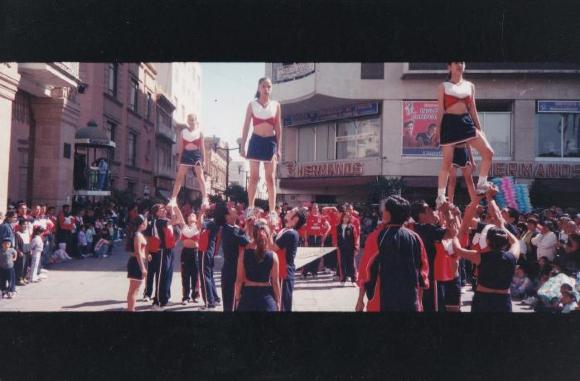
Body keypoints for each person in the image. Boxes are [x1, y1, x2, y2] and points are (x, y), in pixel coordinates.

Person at [355, 195, 430, 312]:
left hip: (380, 302)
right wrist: (419, 302)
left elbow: (365, 271)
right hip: (410, 301)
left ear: (388, 214)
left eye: (384, 210)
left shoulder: (376, 237)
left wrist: (360, 300)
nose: (382, 212)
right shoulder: (415, 238)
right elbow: (423, 273)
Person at [436, 61, 495, 208]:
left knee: (488, 152)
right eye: (456, 62)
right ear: (449, 67)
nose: (459, 65)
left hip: (466, 122)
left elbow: (473, 109)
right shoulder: (443, 86)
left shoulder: (470, 86)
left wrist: (480, 130)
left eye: (462, 62)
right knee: (447, 163)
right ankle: (441, 197)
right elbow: (440, 111)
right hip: (449, 124)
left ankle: (482, 184)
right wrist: (437, 131)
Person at [452, 186, 520, 312]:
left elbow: (457, 249)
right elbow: (516, 242)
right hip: (503, 300)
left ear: (488, 241)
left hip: (483, 299)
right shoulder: (512, 256)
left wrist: (457, 234)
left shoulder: (479, 256)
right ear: (505, 242)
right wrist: (502, 228)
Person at [240, 77, 282, 225]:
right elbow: (246, 127)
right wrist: (242, 145)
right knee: (254, 177)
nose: (266, 89)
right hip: (256, 141)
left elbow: (278, 128)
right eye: (264, 86)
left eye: (269, 86)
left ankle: (272, 212)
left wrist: (279, 148)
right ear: (259, 88)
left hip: (270, 142)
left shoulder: (276, 105)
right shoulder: (252, 104)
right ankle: (250, 207)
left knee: (270, 178)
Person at [234, 221, 281, 311]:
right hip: (266, 297)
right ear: (268, 236)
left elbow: (239, 281)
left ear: (253, 236)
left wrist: (237, 298)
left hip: (248, 296)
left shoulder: (243, 254)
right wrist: (278, 301)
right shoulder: (273, 256)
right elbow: (275, 282)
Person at [168, 113, 209, 208]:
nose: (191, 122)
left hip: (196, 155)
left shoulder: (200, 132)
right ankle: (173, 199)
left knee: (201, 177)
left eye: (193, 120)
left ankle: (205, 199)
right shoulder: (183, 132)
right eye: (189, 120)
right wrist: (179, 160)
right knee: (179, 178)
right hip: (186, 154)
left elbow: (202, 147)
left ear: (196, 121)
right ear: (187, 121)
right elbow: (181, 147)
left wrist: (204, 160)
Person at [271, 207, 307, 311]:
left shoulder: (291, 233)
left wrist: (269, 229)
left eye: (291, 211)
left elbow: (273, 247)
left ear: (295, 219)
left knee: (281, 305)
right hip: (279, 271)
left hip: (284, 272)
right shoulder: (285, 230)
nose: (288, 211)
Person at [220, 206, 251, 312]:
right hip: (232, 269)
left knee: (233, 299)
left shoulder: (234, 228)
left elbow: (243, 233)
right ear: (227, 216)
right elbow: (247, 242)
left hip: (233, 268)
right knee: (231, 299)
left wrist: (247, 224)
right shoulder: (230, 230)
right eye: (231, 210)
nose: (235, 211)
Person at [176, 210, 202, 305]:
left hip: (195, 252)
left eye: (193, 215)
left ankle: (195, 295)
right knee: (185, 276)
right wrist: (174, 202)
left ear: (196, 219)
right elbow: (179, 213)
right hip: (185, 252)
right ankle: (185, 297)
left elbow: (201, 213)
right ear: (187, 218)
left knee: (195, 275)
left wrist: (203, 207)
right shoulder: (184, 226)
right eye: (190, 215)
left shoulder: (197, 226)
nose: (191, 216)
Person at [302, 203, 331, 278]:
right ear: (311, 209)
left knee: (317, 256)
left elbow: (329, 226)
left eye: (316, 208)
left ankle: (314, 272)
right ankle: (304, 273)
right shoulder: (308, 217)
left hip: (319, 238)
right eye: (314, 208)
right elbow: (305, 230)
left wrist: (324, 236)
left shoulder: (321, 217)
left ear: (318, 209)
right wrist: (305, 241)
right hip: (310, 238)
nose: (315, 209)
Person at [126, 215, 148, 312]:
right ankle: (131, 310)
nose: (147, 223)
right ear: (142, 224)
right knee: (134, 290)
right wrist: (143, 268)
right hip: (136, 263)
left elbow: (141, 251)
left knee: (134, 289)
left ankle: (131, 308)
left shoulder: (139, 234)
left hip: (137, 261)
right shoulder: (138, 235)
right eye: (146, 221)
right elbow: (138, 252)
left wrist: (147, 256)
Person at [337, 212, 359, 284]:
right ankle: (343, 279)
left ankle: (354, 280)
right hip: (342, 248)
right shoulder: (339, 226)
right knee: (343, 263)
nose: (345, 219)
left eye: (347, 217)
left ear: (349, 218)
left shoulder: (352, 227)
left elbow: (355, 238)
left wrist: (356, 248)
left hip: (350, 248)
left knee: (352, 264)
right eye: (344, 217)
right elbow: (337, 237)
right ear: (342, 218)